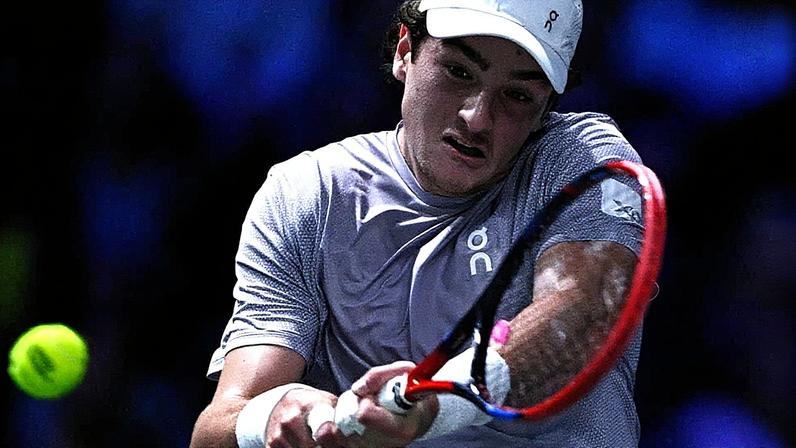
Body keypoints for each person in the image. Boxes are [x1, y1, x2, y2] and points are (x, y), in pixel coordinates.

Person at [190, 0, 649, 446]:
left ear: (544, 106)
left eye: (518, 95)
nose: (477, 117)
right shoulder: (308, 194)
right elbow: (219, 424)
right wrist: (272, 415)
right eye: (458, 71)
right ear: (405, 52)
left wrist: (433, 400)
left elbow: (582, 314)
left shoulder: (584, 162)